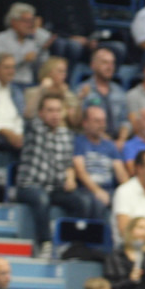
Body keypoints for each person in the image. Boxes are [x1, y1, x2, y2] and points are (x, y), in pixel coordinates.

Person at [16, 93, 88, 256]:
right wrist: (43, 88)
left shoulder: (66, 135)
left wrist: (70, 177)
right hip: (29, 186)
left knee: (82, 201)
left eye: (58, 110)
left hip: (54, 187)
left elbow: (67, 164)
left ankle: (71, 245)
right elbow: (28, 114)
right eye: (50, 110)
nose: (55, 114)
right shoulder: (34, 129)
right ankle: (45, 243)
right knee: (42, 199)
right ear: (41, 113)